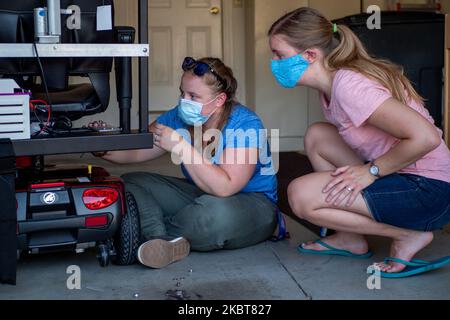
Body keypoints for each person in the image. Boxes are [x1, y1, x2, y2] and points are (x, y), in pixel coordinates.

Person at [268, 7, 450, 278]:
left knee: (300, 196)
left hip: (428, 189)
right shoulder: (330, 88)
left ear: (309, 55)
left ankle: (407, 235)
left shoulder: (350, 87)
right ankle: (349, 238)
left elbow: (426, 137)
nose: (274, 63)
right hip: (402, 174)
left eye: (279, 55)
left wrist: (370, 171)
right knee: (318, 135)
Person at [97, 57, 278, 269]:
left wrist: (180, 146)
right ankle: (159, 241)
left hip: (252, 204)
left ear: (219, 100)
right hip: (201, 193)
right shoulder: (178, 117)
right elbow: (136, 151)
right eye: (182, 93)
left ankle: (142, 230)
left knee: (212, 214)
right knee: (130, 182)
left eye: (193, 96)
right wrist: (102, 146)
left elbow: (225, 186)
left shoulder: (245, 124)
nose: (184, 101)